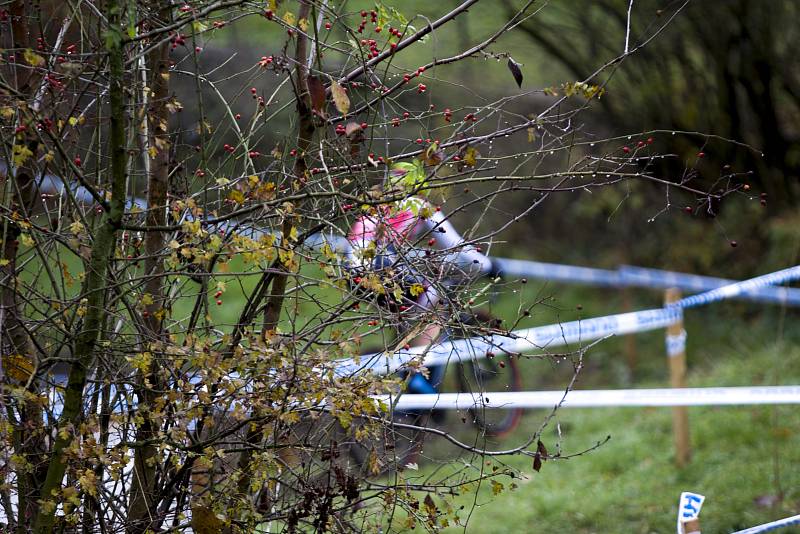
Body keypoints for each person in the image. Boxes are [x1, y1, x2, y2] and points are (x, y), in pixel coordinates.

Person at [346, 159, 498, 394]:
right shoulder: (418, 204)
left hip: (351, 272)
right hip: (378, 264)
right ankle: (416, 375)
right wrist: (487, 266)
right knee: (435, 300)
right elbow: (457, 246)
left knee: (412, 306)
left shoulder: (377, 204)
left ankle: (403, 371)